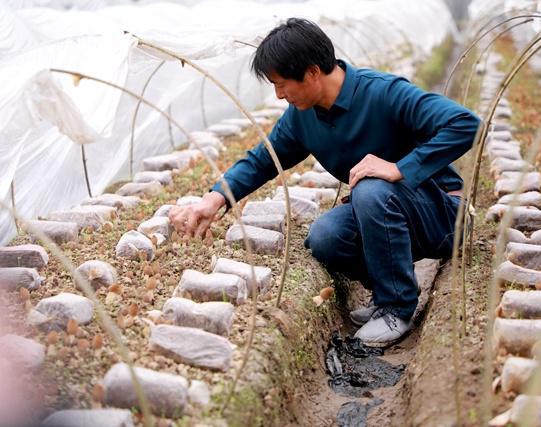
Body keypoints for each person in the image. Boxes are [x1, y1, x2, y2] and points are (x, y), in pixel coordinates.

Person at [169, 18, 480, 347]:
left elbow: (466, 124)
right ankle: (391, 285)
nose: (278, 95)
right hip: (389, 213)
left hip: (446, 215)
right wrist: (214, 199)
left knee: (371, 188)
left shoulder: (383, 93)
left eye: (282, 83)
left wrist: (400, 168)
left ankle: (397, 308)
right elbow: (263, 159)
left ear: (313, 72)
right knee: (326, 237)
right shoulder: (303, 117)